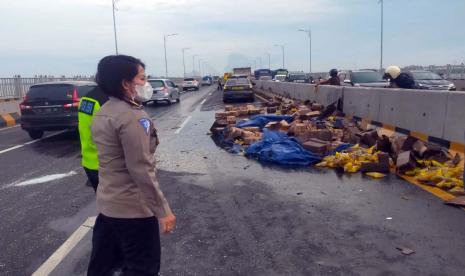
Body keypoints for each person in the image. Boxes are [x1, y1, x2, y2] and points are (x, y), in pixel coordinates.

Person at [87, 55, 176, 276]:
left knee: (103, 266)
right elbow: (141, 169)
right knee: (142, 268)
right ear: (126, 83)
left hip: (108, 206)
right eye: (142, 78)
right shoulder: (132, 117)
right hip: (133, 210)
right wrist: (162, 210)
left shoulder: (104, 111)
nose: (146, 84)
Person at [78, 86, 109, 192]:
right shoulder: (108, 100)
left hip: (89, 162)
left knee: (104, 204)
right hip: (107, 166)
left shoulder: (86, 99)